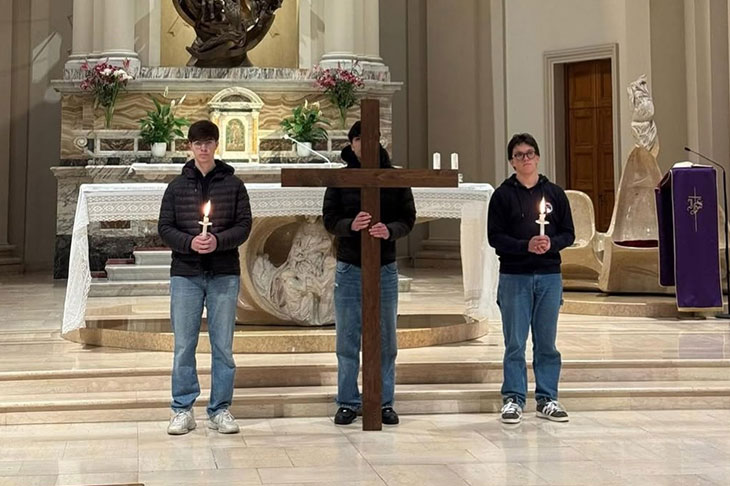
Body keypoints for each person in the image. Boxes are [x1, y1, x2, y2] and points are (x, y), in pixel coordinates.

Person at [158, 120, 252, 435]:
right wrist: (190, 243)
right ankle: (182, 409)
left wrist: (217, 241)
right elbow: (165, 227)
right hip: (186, 274)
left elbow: (244, 225)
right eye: (197, 143)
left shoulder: (233, 185)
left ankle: (220, 408)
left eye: (208, 142)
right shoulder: (176, 187)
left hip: (223, 272)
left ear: (216, 144)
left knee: (222, 345)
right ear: (189, 146)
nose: (203, 148)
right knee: (184, 345)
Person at [322, 121, 416, 426]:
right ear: (352, 143)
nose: (366, 143)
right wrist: (350, 225)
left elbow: (408, 218)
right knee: (347, 338)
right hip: (350, 264)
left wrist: (389, 230)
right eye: (360, 138)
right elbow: (329, 219)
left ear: (380, 141)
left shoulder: (394, 176)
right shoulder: (341, 177)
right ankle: (348, 401)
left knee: (386, 340)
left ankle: (383, 401)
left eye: (371, 138)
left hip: (384, 265)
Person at [487, 133, 575, 424]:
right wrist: (525, 245)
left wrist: (551, 243)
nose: (525, 158)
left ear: (537, 157)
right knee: (515, 342)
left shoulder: (555, 193)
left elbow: (568, 233)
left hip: (549, 275)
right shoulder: (502, 196)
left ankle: (547, 398)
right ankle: (513, 399)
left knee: (547, 342)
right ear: (511, 162)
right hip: (515, 276)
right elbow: (495, 237)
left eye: (529, 153)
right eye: (518, 155)